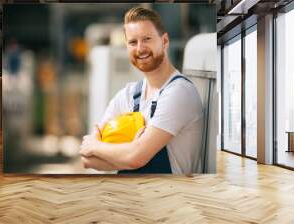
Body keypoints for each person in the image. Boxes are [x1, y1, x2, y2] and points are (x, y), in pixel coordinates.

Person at [79, 7, 203, 174]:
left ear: (165, 41)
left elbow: (136, 158)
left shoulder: (179, 92)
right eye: (132, 42)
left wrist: (97, 146)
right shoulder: (129, 95)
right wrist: (128, 151)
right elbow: (87, 160)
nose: (140, 48)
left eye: (147, 39)